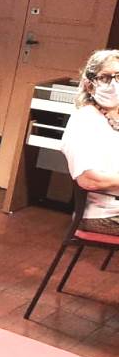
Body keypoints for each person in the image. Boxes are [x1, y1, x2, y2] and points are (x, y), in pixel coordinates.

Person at [61, 49, 119, 236]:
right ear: (89, 85)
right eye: (105, 78)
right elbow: (89, 180)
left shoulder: (114, 118)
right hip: (103, 215)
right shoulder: (85, 120)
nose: (114, 85)